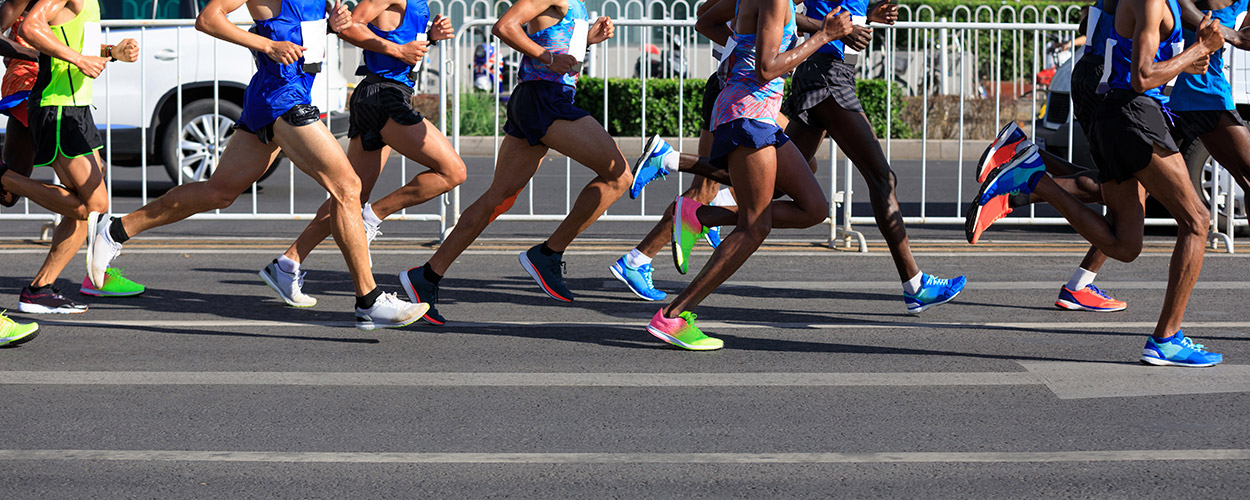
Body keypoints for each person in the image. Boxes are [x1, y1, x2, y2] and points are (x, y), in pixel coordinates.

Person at [84, 0, 427, 331]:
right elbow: (208, 19)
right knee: (347, 187)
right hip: (281, 95)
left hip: (285, 93)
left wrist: (336, 25)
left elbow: (323, 30)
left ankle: (114, 231)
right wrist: (267, 45)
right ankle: (368, 300)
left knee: (218, 192)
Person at [972, 0, 1225, 367]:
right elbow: (1142, 76)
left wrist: (1193, 57)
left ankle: (1037, 179)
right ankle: (1167, 338)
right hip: (1133, 113)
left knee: (1125, 245)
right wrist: (1199, 49)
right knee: (1197, 221)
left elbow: (1154, 62)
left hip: (1117, 114)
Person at [397, 0, 628, 324]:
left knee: (499, 198)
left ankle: (427, 277)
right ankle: (548, 254)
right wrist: (548, 58)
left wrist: (588, 39)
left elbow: (556, 43)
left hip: (542, 98)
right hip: (545, 99)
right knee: (619, 175)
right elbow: (504, 27)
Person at [641, 0, 852, 351]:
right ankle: (674, 315)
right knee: (755, 226)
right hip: (748, 113)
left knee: (814, 208)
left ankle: (700, 214)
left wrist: (741, 51)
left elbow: (706, 21)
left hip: (759, 114)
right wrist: (824, 36)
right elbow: (767, 69)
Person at [260, 0, 465, 323]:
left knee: (348, 197)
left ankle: (287, 263)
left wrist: (432, 37)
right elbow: (350, 26)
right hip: (382, 95)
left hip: (386, 93)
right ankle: (373, 218)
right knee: (452, 170)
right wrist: (399, 52)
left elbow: (400, 36)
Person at [776, 0, 966, 314]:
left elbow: (842, 13)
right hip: (827, 78)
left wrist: (870, 15)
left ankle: (705, 210)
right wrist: (831, 32)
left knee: (775, 185)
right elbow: (784, 11)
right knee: (882, 178)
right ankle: (915, 284)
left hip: (828, 75)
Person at [968, 1, 1125, 313]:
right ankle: (1016, 190)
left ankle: (1023, 155)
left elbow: (1085, 25)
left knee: (1118, 188)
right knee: (1122, 189)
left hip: (1094, 71)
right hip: (1117, 81)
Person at [0, 0, 144, 315]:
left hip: (75, 107)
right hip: (57, 107)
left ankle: (40, 290)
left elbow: (74, 40)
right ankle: (6, 178)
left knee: (86, 209)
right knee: (94, 206)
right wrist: (78, 59)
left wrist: (112, 53)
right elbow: (30, 27)